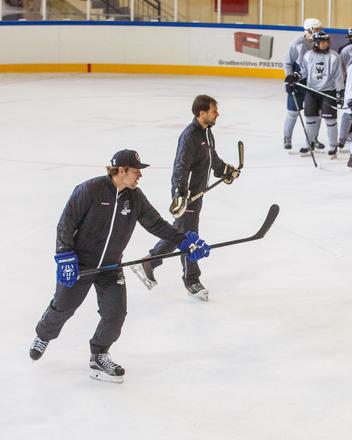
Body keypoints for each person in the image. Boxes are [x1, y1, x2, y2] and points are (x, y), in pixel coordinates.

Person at [29, 150, 211, 383]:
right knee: (63, 307)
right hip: (80, 263)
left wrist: (184, 241)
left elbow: (156, 223)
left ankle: (99, 354)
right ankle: (43, 335)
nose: (139, 176)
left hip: (110, 266)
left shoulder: (134, 197)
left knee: (115, 314)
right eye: (136, 171)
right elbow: (66, 224)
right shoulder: (90, 190)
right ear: (121, 170)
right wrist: (65, 256)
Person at [132, 95, 240, 301]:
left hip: (197, 195)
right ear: (202, 113)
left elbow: (212, 159)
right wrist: (180, 195)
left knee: (179, 233)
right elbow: (180, 167)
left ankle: (150, 261)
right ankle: (192, 280)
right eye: (214, 110)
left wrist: (226, 170)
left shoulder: (207, 133)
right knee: (190, 237)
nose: (217, 114)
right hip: (188, 197)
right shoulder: (190, 136)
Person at [294, 31, 344, 157]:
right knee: (310, 119)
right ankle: (309, 144)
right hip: (311, 91)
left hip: (328, 91)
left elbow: (338, 76)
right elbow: (305, 71)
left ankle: (333, 146)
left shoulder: (334, 56)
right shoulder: (308, 55)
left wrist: (340, 92)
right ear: (316, 43)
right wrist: (296, 76)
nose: (325, 44)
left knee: (330, 120)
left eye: (327, 42)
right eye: (322, 42)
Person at [282, 18, 323, 150]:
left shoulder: (320, 42)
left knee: (316, 113)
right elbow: (288, 63)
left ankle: (313, 138)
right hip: (299, 83)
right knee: (293, 112)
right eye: (317, 29)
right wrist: (290, 80)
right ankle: (287, 138)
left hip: (315, 83)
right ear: (310, 29)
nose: (319, 31)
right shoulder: (298, 44)